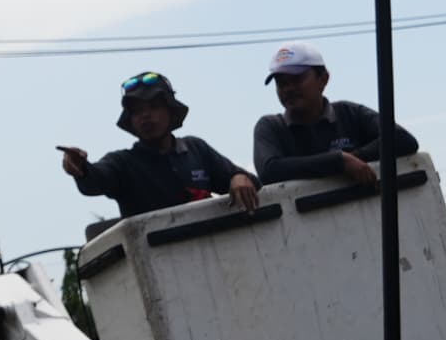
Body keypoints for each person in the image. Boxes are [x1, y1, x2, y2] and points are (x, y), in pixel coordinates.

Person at [59, 71, 260, 219]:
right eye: (137, 111)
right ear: (131, 121)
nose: (146, 115)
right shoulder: (122, 163)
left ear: (171, 112)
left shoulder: (196, 149)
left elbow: (252, 183)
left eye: (154, 107)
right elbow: (95, 180)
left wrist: (239, 178)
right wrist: (81, 168)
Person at [249, 44, 423, 190]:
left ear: (323, 79)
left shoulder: (350, 113)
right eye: (281, 83)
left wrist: (354, 157)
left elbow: (402, 140)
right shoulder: (270, 127)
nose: (288, 89)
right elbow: (270, 170)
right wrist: (339, 161)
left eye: (296, 79)